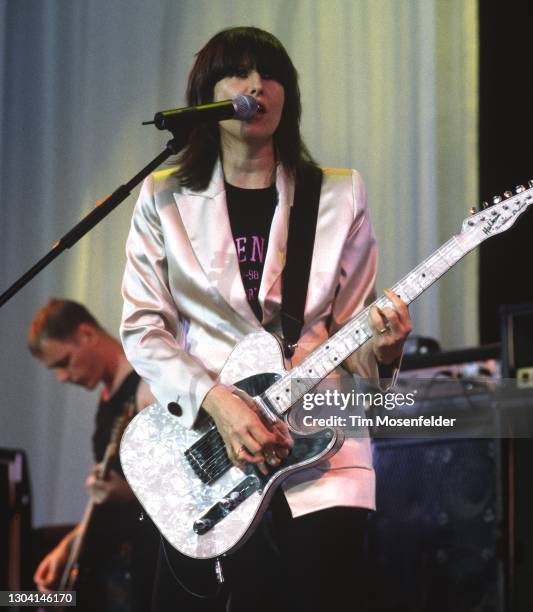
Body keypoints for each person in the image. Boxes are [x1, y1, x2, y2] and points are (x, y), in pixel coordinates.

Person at [120, 26, 412, 612]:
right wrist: (215, 400)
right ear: (208, 94)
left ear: (288, 95)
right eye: (239, 73)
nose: (257, 85)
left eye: (271, 74)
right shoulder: (163, 197)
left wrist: (381, 348)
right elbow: (143, 328)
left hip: (321, 452)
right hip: (207, 451)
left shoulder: (338, 196)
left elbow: (352, 332)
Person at [28, 299, 158, 612]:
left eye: (64, 363)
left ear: (86, 334)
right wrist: (68, 544)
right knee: (16, 600)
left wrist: (128, 495)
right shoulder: (106, 399)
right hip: (106, 569)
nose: (62, 378)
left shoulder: (146, 389)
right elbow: (104, 498)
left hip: (138, 571)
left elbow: (184, 485)